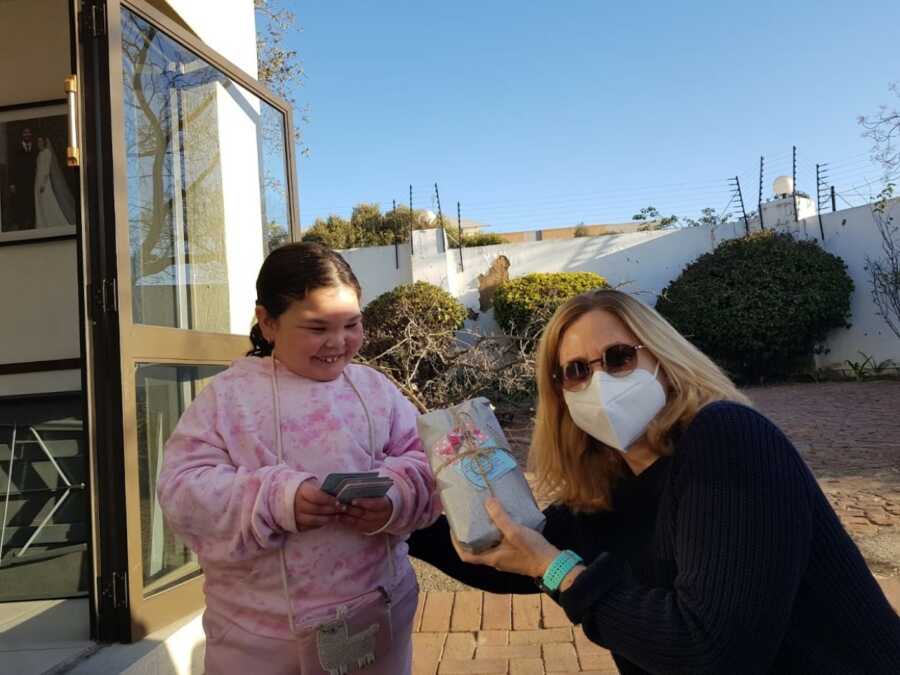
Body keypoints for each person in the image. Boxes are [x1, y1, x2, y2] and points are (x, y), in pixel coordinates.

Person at [409, 289, 900, 674]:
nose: (598, 383)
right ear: (559, 394)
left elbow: (712, 655)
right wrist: (398, 522)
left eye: (619, 358)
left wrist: (558, 571)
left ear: (662, 361)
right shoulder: (611, 487)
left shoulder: (727, 440)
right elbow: (511, 555)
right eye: (576, 371)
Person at [158, 242, 440, 675]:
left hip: (376, 615)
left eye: (351, 324)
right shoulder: (228, 398)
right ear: (267, 322)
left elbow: (426, 461)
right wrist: (274, 499)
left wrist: (396, 497)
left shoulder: (374, 389)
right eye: (317, 328)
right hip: (257, 637)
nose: (338, 342)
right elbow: (181, 492)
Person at [34, 136, 75, 228]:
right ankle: (41, 222)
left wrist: (43, 184)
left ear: (44, 142)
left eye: (41, 141)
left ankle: (52, 221)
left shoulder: (47, 153)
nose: (39, 143)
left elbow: (47, 169)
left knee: (47, 200)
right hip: (37, 180)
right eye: (38, 142)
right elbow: (38, 169)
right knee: (40, 202)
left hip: (44, 181)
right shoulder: (39, 154)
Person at [8, 126, 37, 229]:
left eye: (29, 132)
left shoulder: (34, 148)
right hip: (19, 182)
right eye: (25, 132)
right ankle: (21, 225)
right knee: (20, 203)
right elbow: (12, 165)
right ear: (22, 135)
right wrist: (12, 183)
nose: (27, 134)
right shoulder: (15, 147)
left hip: (31, 181)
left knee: (30, 202)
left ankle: (30, 224)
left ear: (31, 134)